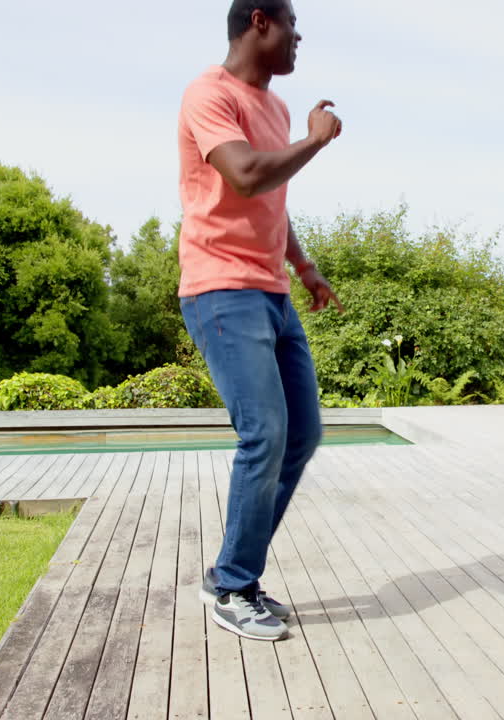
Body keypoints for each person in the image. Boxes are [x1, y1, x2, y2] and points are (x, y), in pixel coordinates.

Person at [179, 0, 343, 641]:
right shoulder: (207, 93)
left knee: (301, 434)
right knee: (264, 433)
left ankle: (229, 572)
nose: (299, 39)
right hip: (221, 289)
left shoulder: (274, 109)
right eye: (293, 27)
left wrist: (303, 267)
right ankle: (234, 588)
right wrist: (314, 140)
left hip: (272, 291)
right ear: (258, 22)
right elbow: (246, 175)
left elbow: (274, 197)